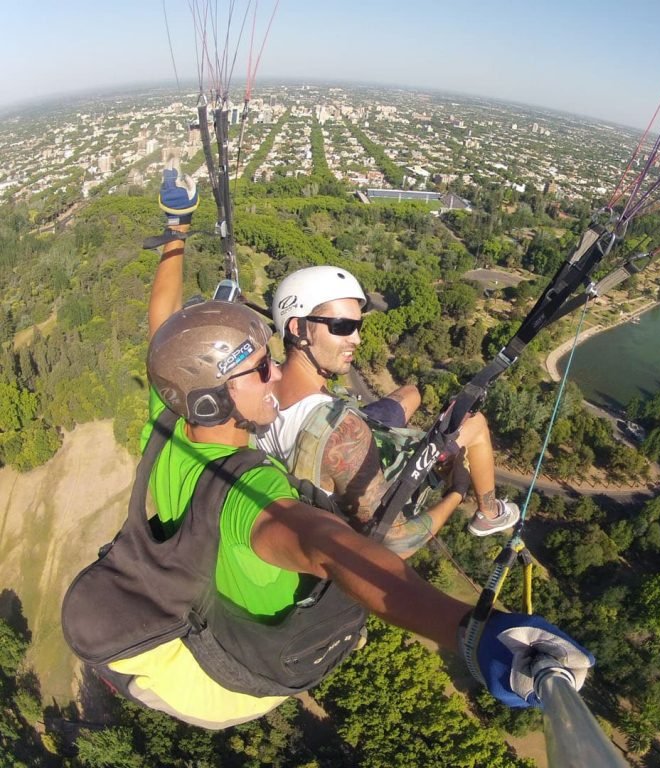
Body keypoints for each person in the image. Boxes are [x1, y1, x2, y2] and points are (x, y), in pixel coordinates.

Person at [66, 165, 592, 729]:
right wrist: (471, 631)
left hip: (198, 614)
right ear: (215, 399)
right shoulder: (249, 492)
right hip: (237, 681)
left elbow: (164, 327)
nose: (275, 376)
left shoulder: (170, 416)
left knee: (407, 402)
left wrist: (177, 228)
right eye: (260, 368)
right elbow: (332, 551)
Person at [256, 266, 519, 558]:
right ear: (297, 328)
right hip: (346, 461)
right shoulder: (344, 432)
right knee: (475, 422)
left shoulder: (261, 383)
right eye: (342, 326)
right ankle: (489, 512)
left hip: (323, 441)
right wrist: (457, 490)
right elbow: (396, 542)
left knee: (410, 394)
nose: (356, 339)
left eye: (358, 327)